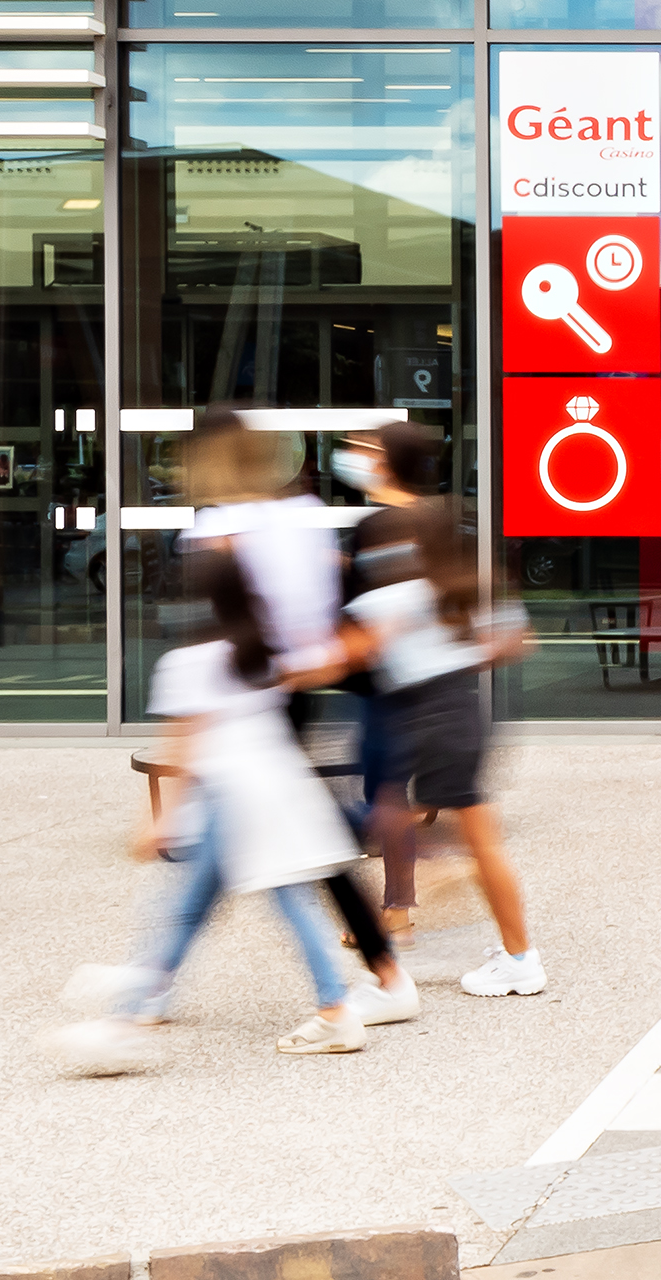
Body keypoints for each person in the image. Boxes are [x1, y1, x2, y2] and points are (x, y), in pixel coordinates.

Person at [63, 534, 397, 1070]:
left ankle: (127, 1014)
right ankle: (137, 1008)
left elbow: (183, 746)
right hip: (278, 787)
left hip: (232, 797)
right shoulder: (263, 646)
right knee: (268, 904)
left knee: (185, 909)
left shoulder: (189, 660)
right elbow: (328, 664)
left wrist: (159, 821)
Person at [180, 409, 407, 997]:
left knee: (297, 847)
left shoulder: (219, 528)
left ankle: (370, 980)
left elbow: (210, 629)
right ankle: (150, 986)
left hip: (246, 697)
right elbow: (326, 606)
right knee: (250, 843)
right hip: (295, 687)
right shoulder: (302, 517)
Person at [345, 428, 547, 996]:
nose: (380, 552)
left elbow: (345, 653)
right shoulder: (458, 585)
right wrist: (457, 651)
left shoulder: (393, 597)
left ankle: (505, 949)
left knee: (436, 832)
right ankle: (516, 953)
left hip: (426, 717)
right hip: (461, 713)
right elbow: (517, 640)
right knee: (465, 835)